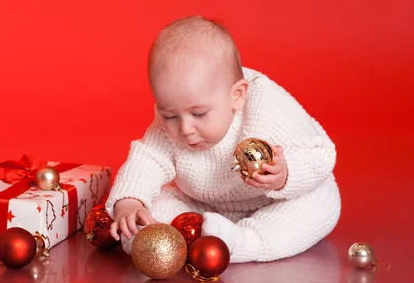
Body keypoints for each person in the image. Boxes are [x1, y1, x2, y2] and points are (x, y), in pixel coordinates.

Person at [105, 16, 341, 263]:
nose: (185, 128)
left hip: (274, 203)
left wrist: (285, 174)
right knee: (154, 203)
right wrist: (129, 202)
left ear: (237, 96)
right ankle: (166, 239)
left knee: (317, 205)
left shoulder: (266, 107)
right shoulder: (172, 124)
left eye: (199, 114)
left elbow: (320, 153)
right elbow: (147, 161)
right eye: (170, 115)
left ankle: (245, 242)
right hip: (205, 207)